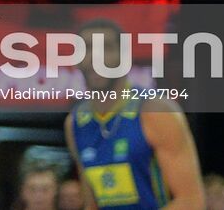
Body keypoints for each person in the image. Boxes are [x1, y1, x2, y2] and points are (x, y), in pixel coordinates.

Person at [65, 20, 205, 210]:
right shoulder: (75, 122)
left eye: (106, 48)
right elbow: (93, 204)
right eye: (87, 49)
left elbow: (191, 201)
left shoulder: (156, 111)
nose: (95, 58)